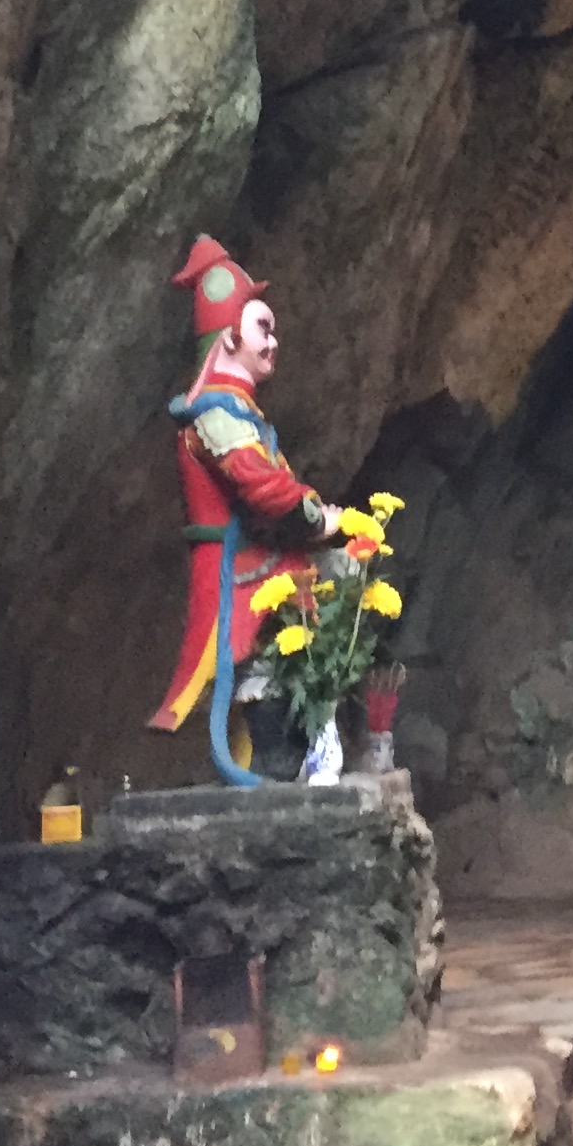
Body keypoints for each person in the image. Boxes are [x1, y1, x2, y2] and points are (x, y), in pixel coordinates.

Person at [149, 237, 381, 785]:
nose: (273, 342)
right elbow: (259, 484)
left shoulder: (239, 410)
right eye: (263, 328)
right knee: (272, 639)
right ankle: (281, 756)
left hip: (266, 551)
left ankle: (310, 746)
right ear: (230, 337)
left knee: (343, 583)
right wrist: (322, 518)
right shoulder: (213, 413)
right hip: (241, 561)